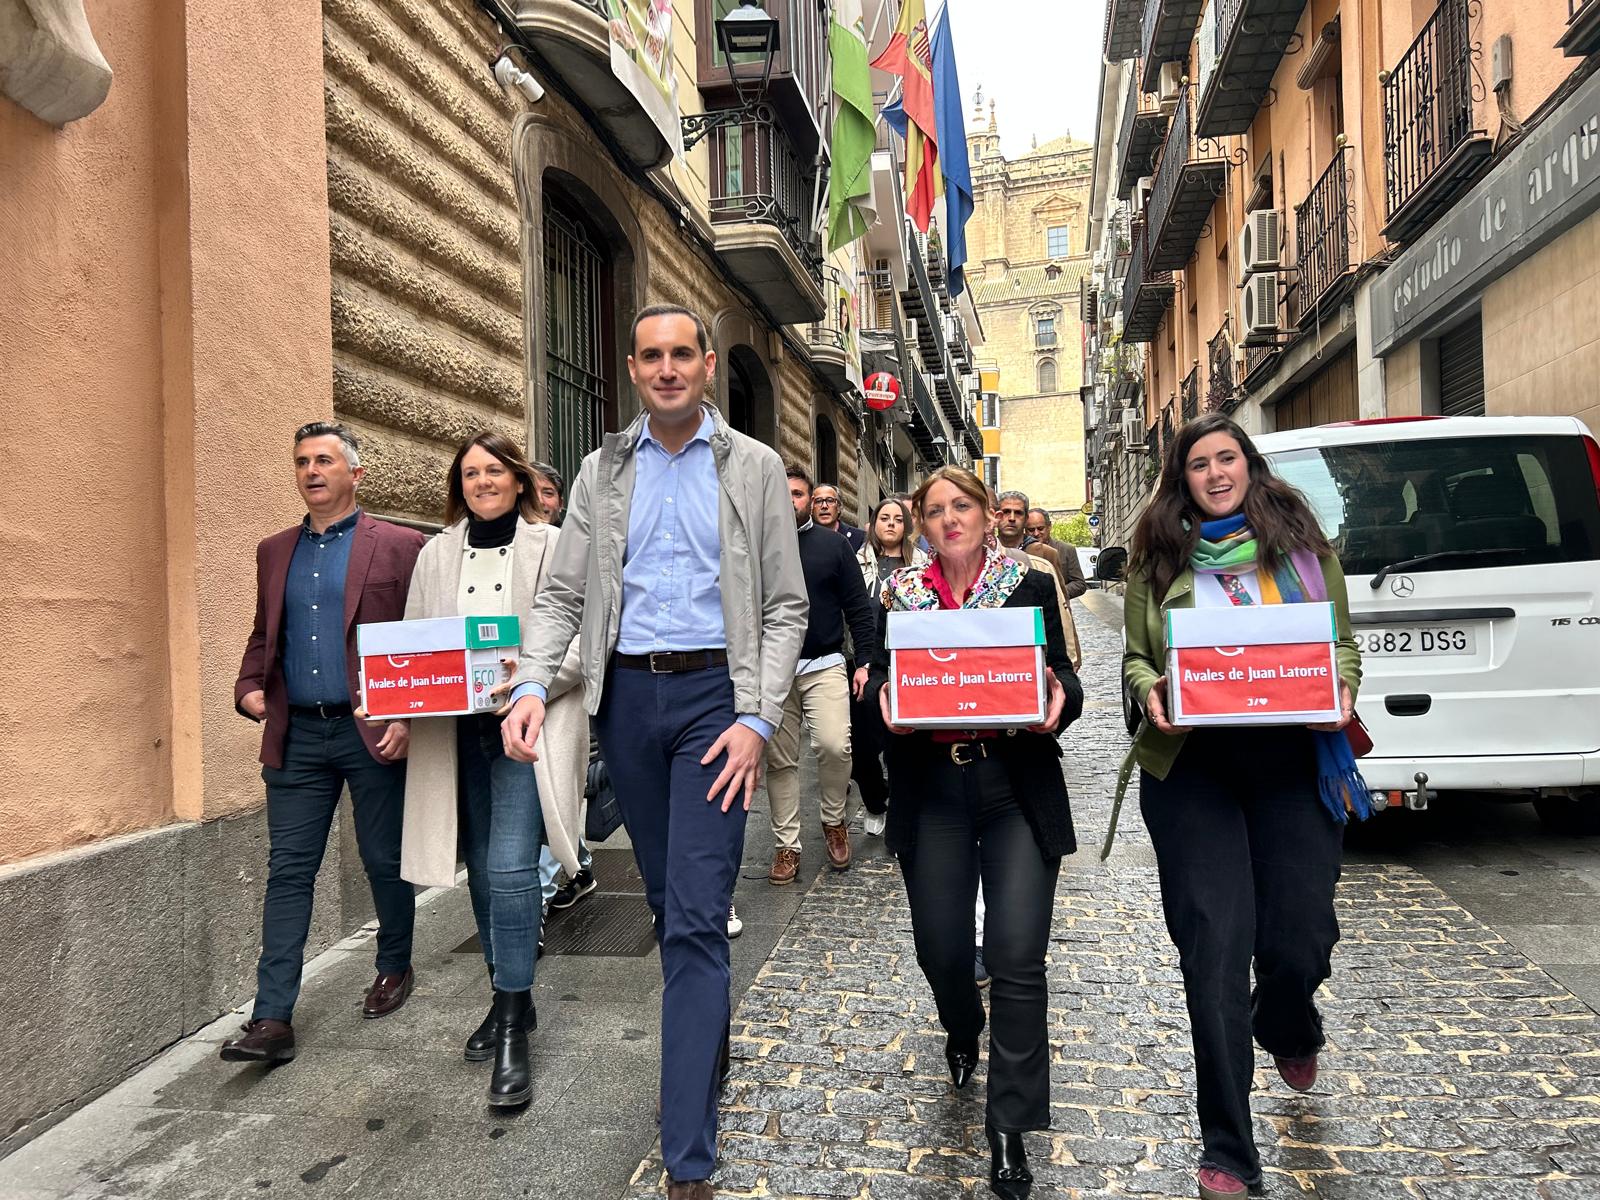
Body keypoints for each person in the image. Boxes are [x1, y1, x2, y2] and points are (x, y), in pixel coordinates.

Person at [499, 305, 807, 1200]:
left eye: (683, 355)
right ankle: (702, 1053)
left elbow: (785, 607)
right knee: (673, 907)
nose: (668, 369)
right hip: (628, 702)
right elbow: (562, 596)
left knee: (699, 921)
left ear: (707, 366)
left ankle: (688, 1161)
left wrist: (756, 719)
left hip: (719, 700)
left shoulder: (753, 467)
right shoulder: (602, 471)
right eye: (651, 357)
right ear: (632, 370)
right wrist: (528, 685)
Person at [1122, 412, 1365, 1200]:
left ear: (1250, 467)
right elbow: (1134, 657)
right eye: (1200, 463)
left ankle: (1289, 1021)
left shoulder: (1302, 548)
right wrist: (1149, 689)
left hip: (1293, 762)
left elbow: (1342, 646)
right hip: (1192, 770)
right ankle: (1228, 1145)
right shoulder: (1158, 559)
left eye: (1229, 458)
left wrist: (1343, 692)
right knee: (1214, 955)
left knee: (1299, 938)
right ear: (1182, 478)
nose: (1216, 472)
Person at [867, 464, 1082, 1200]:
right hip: (933, 793)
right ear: (920, 523)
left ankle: (1008, 1127)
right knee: (942, 949)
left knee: (1019, 955)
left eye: (963, 505)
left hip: (1013, 785)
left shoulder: (1028, 583)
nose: (949, 518)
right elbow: (880, 686)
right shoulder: (898, 593)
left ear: (988, 513)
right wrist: (885, 705)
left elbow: (1064, 679)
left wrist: (1058, 698)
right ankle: (961, 1025)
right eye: (935, 510)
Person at [224, 422, 425, 1066]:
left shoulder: (400, 546)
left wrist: (408, 718)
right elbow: (264, 632)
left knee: (381, 854)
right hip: (298, 731)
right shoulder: (274, 550)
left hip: (372, 728)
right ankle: (271, 1017)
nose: (312, 471)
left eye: (325, 461)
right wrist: (249, 685)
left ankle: (395, 963)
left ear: (355, 474)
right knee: (289, 871)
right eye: (303, 462)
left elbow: (421, 641)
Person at [396, 432, 588, 1107]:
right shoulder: (435, 554)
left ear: (518, 480)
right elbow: (418, 643)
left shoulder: (553, 546)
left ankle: (512, 1022)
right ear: (460, 484)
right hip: (456, 733)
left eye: (493, 471)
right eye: (470, 472)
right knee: (479, 865)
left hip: (524, 732)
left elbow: (583, 642)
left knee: (510, 865)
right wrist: (397, 705)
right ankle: (507, 992)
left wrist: (531, 680)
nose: (481, 481)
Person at [765, 465, 879, 883]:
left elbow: (858, 609)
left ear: (809, 501)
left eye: (797, 494)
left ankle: (834, 821)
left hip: (825, 663)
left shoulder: (833, 546)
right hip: (771, 670)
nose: (789, 500)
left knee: (835, 746)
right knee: (778, 759)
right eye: (783, 492)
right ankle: (786, 846)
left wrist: (865, 662)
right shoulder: (758, 545)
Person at [528, 460, 599, 916]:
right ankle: (578, 865)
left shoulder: (571, 548)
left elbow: (588, 630)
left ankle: (537, 896)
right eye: (530, 490)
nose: (539, 500)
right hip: (508, 699)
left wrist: (532, 684)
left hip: (559, 695)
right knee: (547, 803)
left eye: (548, 493)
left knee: (557, 794)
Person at [851, 497, 927, 836]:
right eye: (884, 517)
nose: (891, 524)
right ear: (873, 524)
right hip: (860, 661)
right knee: (862, 745)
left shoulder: (923, 565)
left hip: (905, 662)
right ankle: (875, 800)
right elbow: (847, 613)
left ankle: (900, 804)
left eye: (899, 518)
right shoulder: (855, 562)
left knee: (901, 740)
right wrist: (858, 660)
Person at [1024, 507, 1088, 601]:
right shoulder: (1020, 552)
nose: (1036, 533)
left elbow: (1079, 583)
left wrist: (1057, 593)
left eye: (1040, 528)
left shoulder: (1066, 550)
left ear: (1049, 526)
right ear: (1025, 530)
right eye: (1031, 530)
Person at [812, 482, 866, 551]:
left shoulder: (860, 538)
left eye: (830, 501)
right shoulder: (802, 539)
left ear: (839, 507)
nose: (824, 506)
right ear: (811, 508)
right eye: (818, 501)